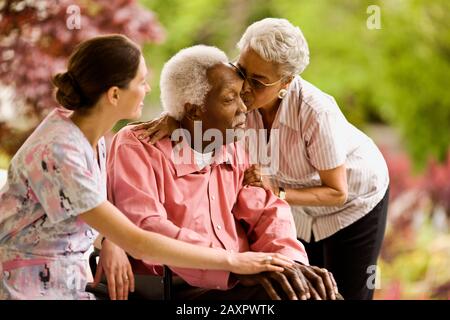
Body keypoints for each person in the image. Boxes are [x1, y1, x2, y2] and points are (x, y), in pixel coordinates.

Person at [0, 35, 294, 300]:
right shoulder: (60, 151)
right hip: (28, 287)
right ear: (114, 95)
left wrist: (110, 241)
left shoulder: (87, 137)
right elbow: (139, 240)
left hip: (70, 284)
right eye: (141, 82)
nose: (149, 89)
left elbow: (87, 214)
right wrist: (235, 262)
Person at [135, 18, 390, 300]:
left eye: (258, 82)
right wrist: (176, 117)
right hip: (295, 205)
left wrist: (277, 192)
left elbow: (337, 192)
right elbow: (202, 102)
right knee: (303, 287)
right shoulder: (240, 103)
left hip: (352, 199)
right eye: (242, 70)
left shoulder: (315, 112)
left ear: (286, 81)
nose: (244, 88)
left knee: (344, 291)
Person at [105, 45, 340, 301]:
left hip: (241, 276)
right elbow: (148, 227)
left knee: (315, 290)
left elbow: (267, 212)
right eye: (230, 99)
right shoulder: (138, 145)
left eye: (242, 96)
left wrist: (286, 263)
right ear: (194, 109)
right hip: (177, 285)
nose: (244, 108)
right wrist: (232, 265)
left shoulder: (232, 144)